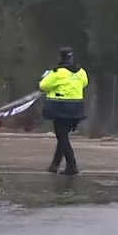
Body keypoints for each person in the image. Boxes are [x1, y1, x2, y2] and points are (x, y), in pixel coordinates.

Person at [39, 47, 89, 175]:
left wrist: (47, 76)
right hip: (77, 109)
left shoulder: (57, 73)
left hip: (61, 108)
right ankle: (55, 164)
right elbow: (84, 84)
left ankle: (72, 164)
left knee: (62, 137)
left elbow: (43, 86)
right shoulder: (81, 72)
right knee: (63, 137)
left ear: (60, 58)